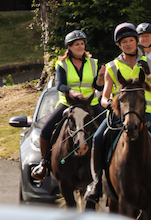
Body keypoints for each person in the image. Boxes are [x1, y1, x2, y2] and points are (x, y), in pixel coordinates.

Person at [83, 23, 151, 208]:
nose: (128, 44)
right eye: (124, 42)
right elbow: (104, 97)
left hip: (148, 114)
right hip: (120, 115)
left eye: (131, 40)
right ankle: (96, 183)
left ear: (136, 42)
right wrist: (108, 105)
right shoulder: (113, 66)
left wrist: (149, 74)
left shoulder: (150, 63)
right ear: (119, 45)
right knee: (98, 139)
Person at [31, 30, 104, 182]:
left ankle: (109, 162)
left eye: (82, 44)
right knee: (45, 131)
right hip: (68, 103)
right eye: (77, 44)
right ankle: (44, 164)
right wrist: (72, 92)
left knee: (109, 126)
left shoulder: (93, 63)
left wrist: (101, 78)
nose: (80, 47)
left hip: (90, 103)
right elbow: (60, 85)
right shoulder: (62, 64)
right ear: (69, 47)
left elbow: (97, 87)